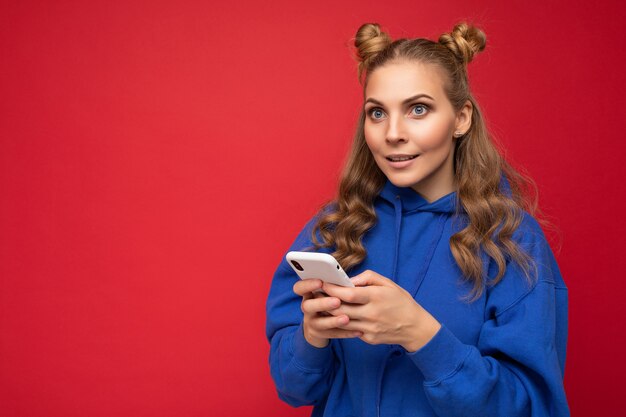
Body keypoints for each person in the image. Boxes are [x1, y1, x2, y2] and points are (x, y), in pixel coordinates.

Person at [265, 22, 569, 417]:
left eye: (418, 109)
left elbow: (530, 407)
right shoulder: (333, 228)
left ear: (461, 118)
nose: (393, 133)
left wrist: (420, 334)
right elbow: (293, 388)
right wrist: (312, 337)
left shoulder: (511, 241)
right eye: (377, 113)